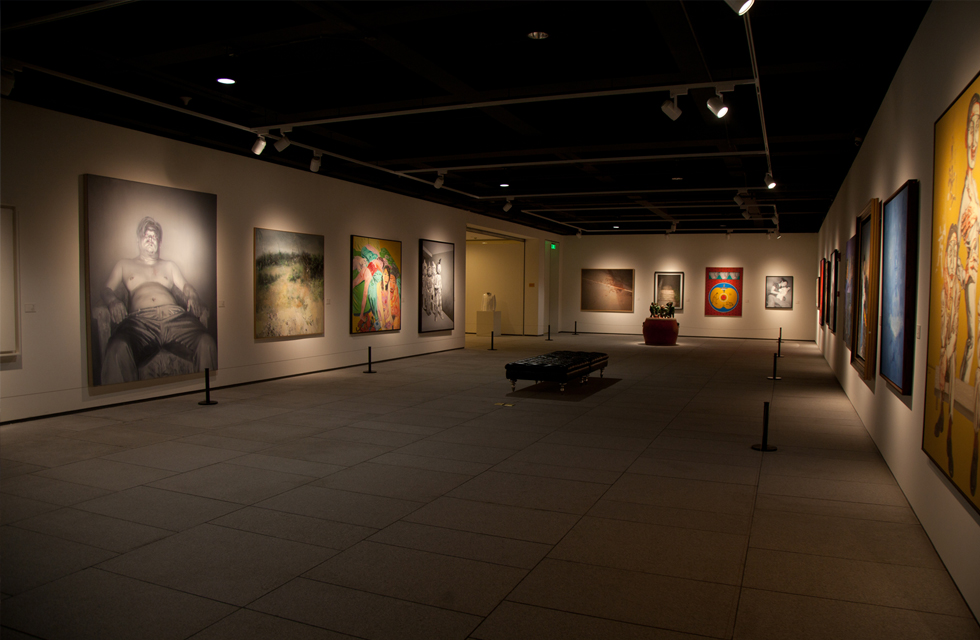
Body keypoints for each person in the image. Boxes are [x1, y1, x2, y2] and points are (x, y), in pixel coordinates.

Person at [101, 216, 216, 384]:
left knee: (207, 342)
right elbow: (106, 290)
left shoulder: (169, 265)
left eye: (154, 236)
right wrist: (112, 301)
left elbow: (186, 286)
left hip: (175, 318)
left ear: (159, 243)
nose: (150, 239)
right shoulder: (124, 264)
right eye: (146, 236)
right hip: (140, 322)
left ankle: (207, 391)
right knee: (117, 348)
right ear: (138, 240)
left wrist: (192, 295)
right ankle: (123, 399)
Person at [957, 93, 980, 491]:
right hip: (970, 272)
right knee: (971, 338)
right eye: (971, 126)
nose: (975, 135)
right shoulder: (968, 184)